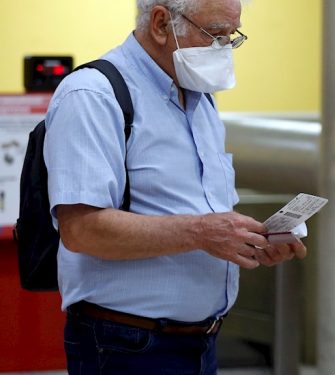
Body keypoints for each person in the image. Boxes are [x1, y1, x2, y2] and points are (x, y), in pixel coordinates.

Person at [44, 0, 306, 373]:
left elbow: (198, 211)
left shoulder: (200, 99)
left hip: (201, 341)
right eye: (215, 35)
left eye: (232, 37)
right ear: (162, 23)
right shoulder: (93, 95)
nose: (224, 50)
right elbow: (82, 229)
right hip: (125, 344)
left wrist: (248, 241)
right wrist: (202, 232)